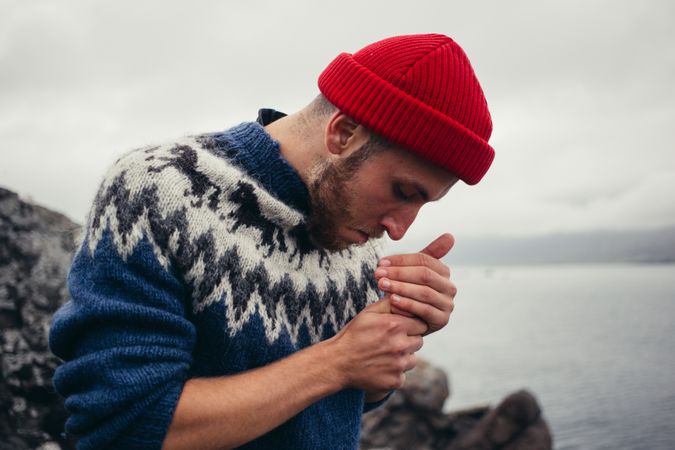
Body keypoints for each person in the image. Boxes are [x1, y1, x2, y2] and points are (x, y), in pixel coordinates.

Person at [49, 33, 494, 450]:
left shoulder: (351, 230)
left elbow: (327, 406)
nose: (399, 229)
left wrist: (384, 355)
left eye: (424, 204)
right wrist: (337, 362)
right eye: (403, 191)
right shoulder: (156, 190)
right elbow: (124, 424)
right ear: (343, 134)